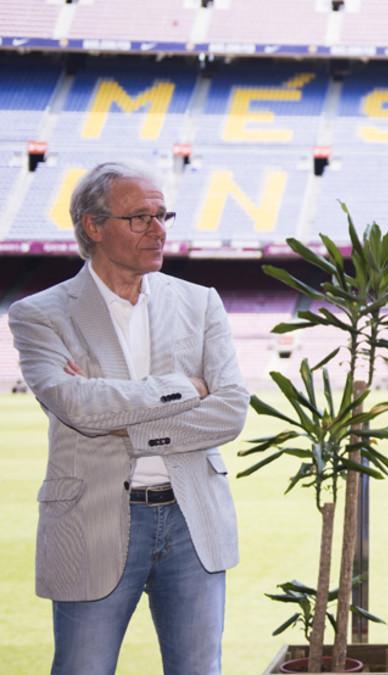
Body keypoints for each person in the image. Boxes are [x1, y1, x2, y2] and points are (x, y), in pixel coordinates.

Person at [8, 162, 248, 674]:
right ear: (93, 226)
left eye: (163, 215)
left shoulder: (200, 302)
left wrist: (125, 420)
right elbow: (75, 406)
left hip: (193, 520)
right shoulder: (39, 314)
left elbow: (230, 410)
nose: (158, 229)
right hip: (90, 521)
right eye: (140, 218)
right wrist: (186, 390)